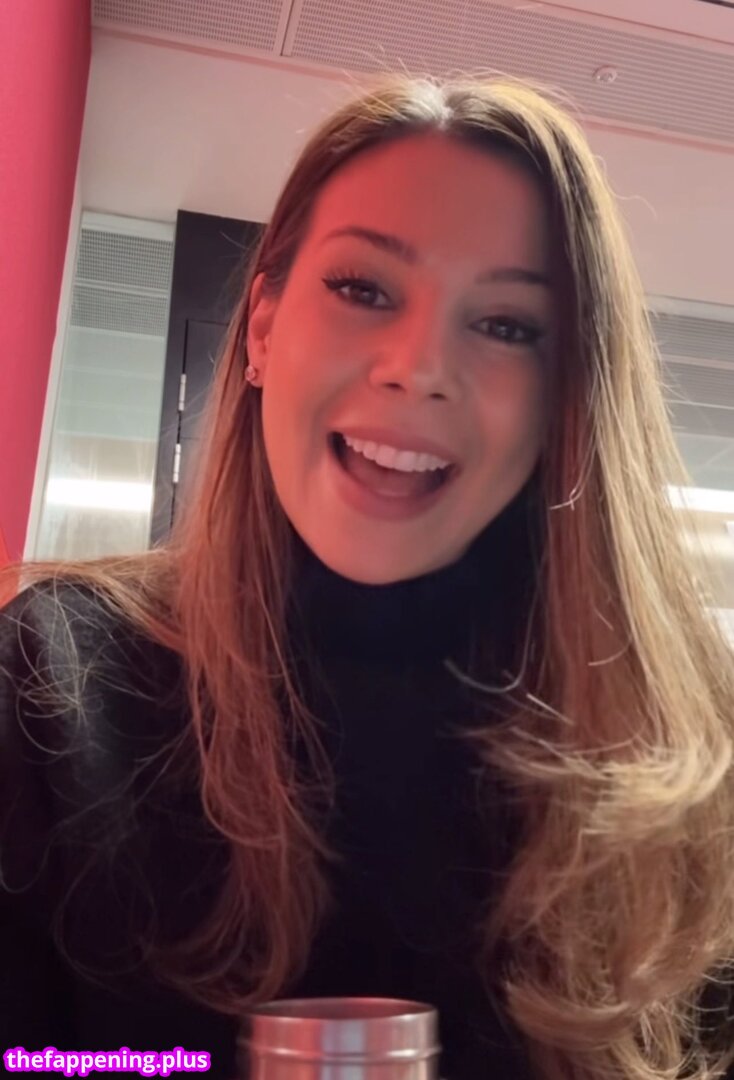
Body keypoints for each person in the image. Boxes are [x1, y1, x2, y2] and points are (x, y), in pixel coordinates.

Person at [1, 71, 733, 1080]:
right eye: (363, 289)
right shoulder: (52, 686)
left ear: (564, 394)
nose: (417, 366)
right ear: (263, 328)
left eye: (506, 325)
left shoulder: (687, 754)